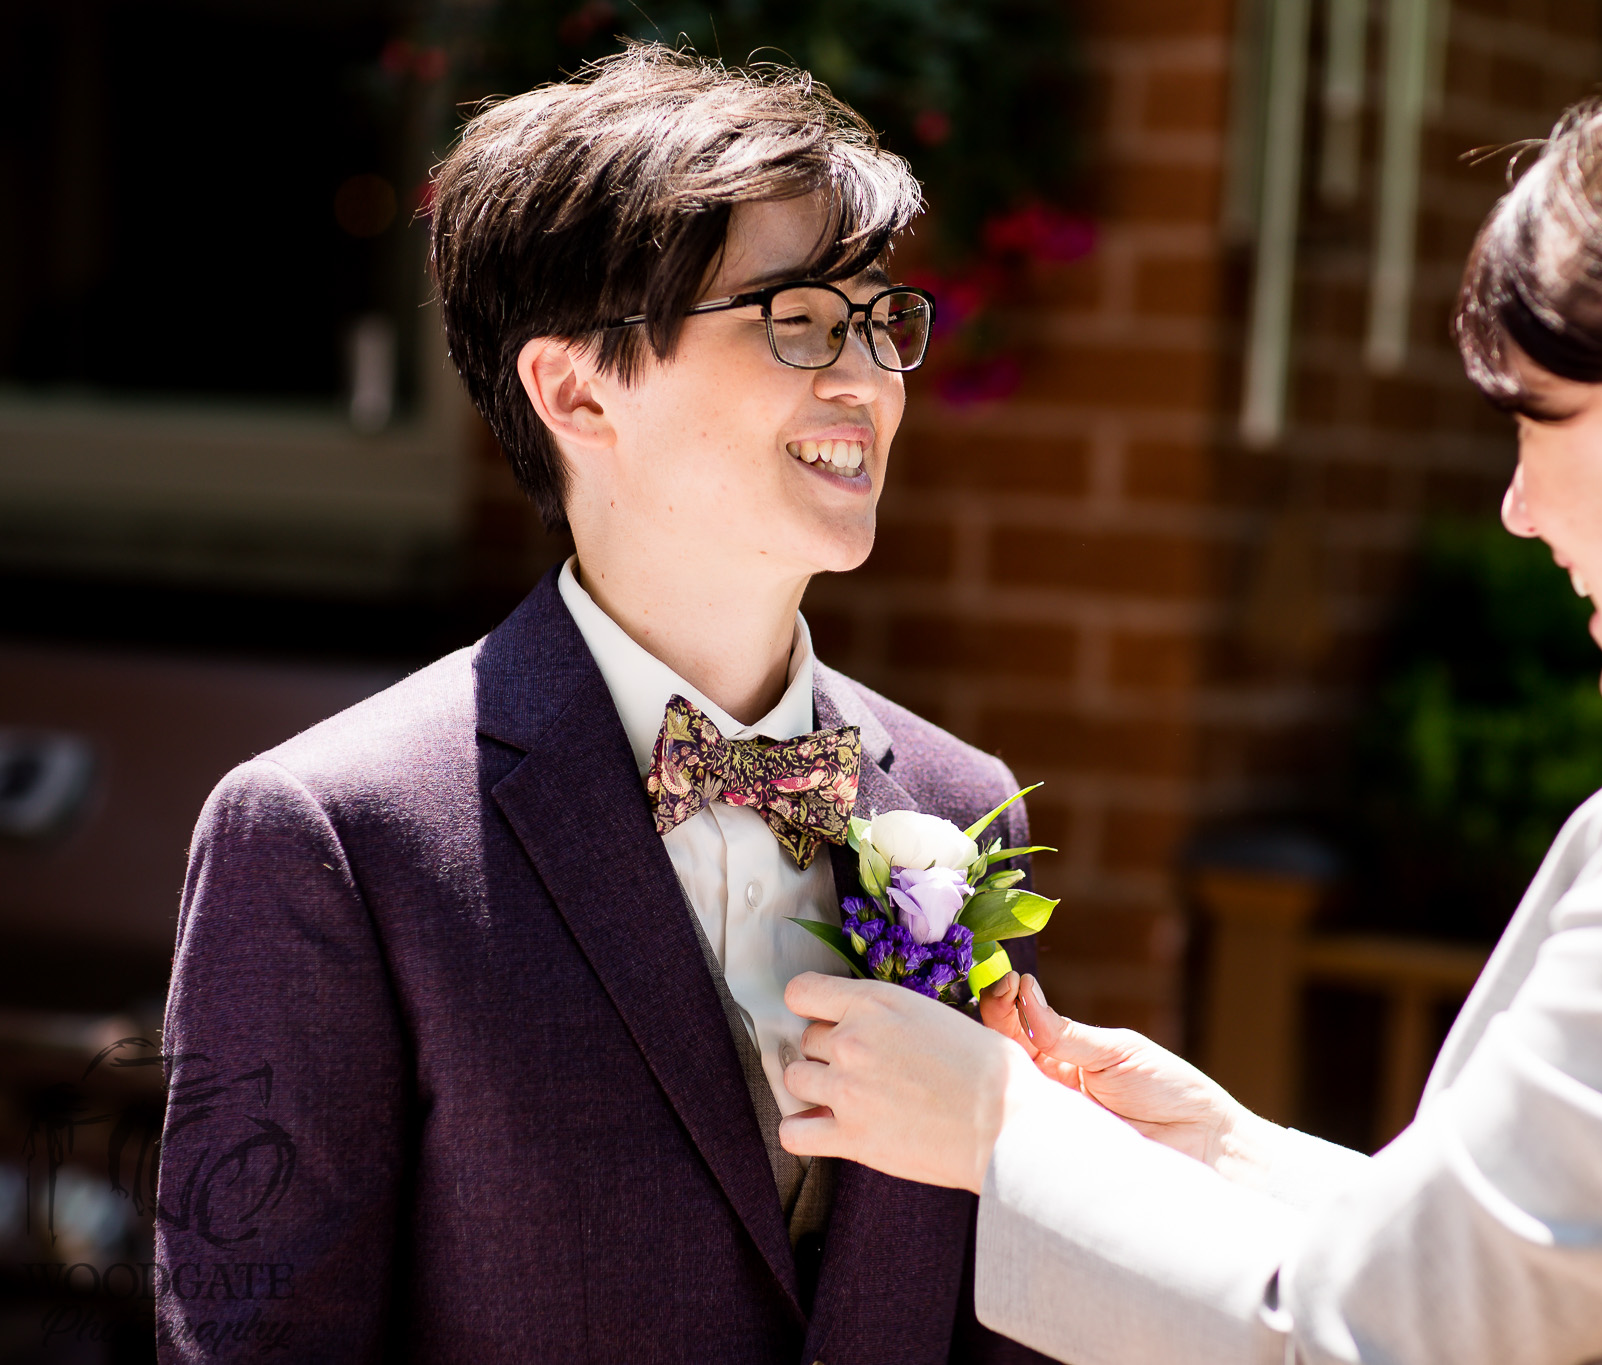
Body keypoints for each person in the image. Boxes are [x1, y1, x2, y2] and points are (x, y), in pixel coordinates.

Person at [775, 58, 1602, 1364]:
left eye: (1538, 420)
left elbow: (1379, 1345)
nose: (1519, 508)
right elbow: (1537, 1291)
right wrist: (1229, 1155)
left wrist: (996, 1125)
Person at [156, 46, 1049, 1363]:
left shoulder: (960, 806)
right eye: (800, 319)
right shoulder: (337, 839)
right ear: (576, 389)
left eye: (881, 322)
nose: (867, 379)